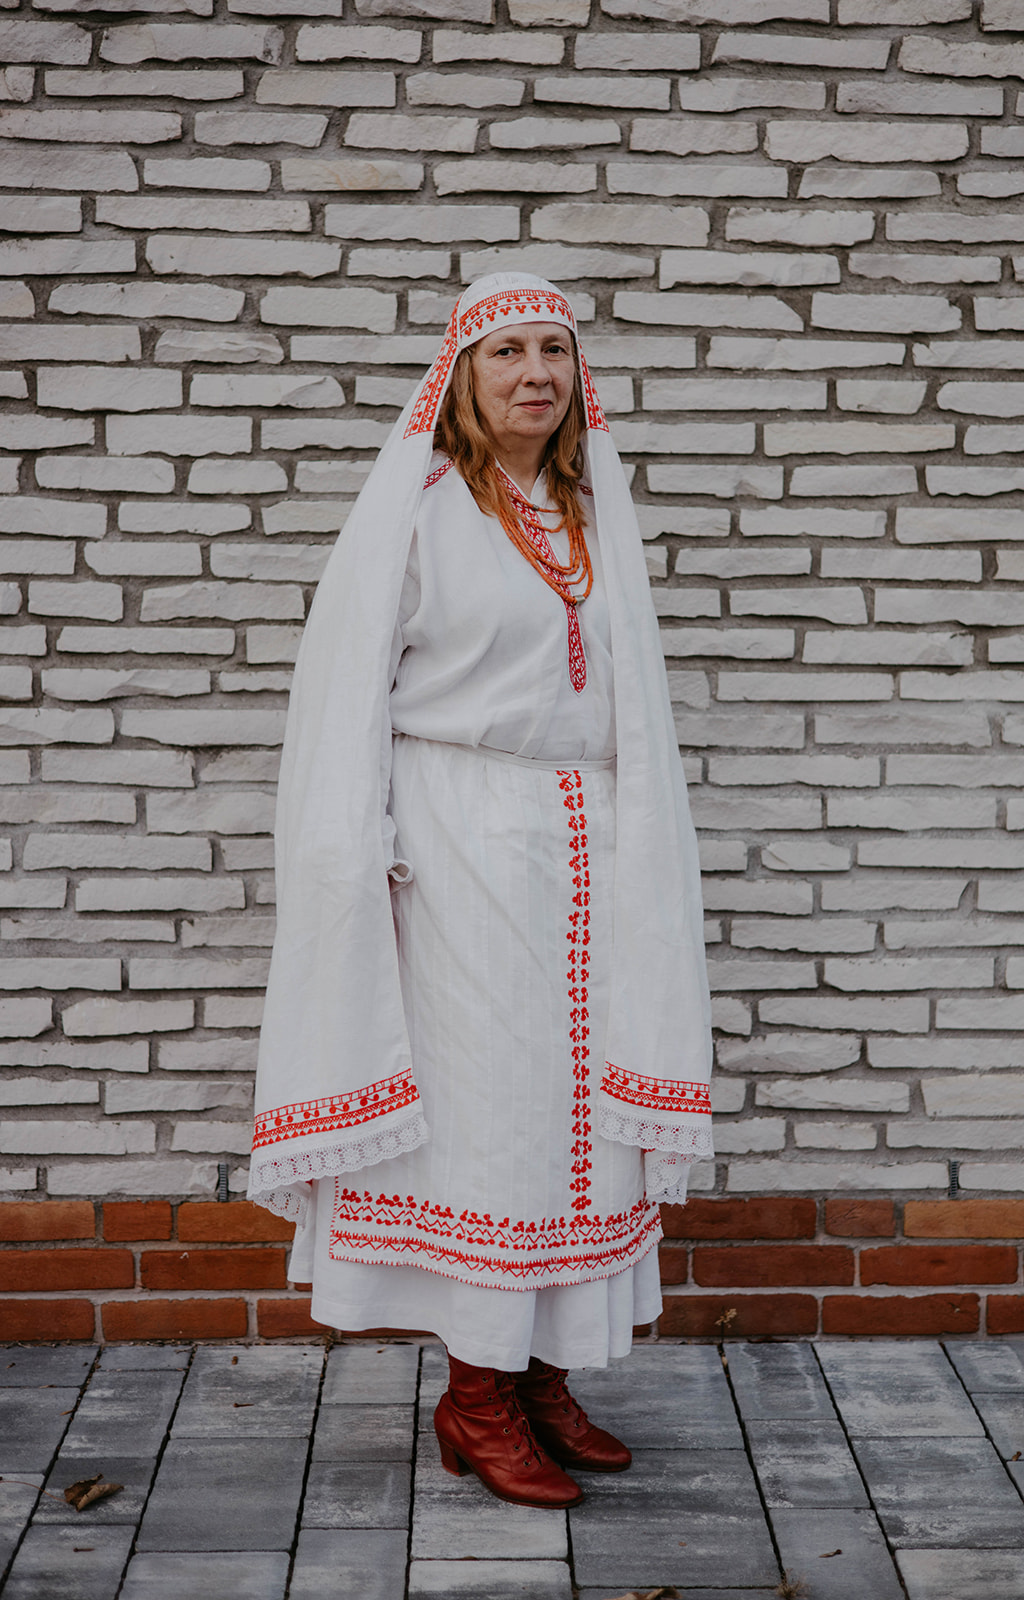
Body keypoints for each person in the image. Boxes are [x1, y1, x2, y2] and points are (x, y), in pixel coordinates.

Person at [249, 272, 714, 1511]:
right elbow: (343, 694)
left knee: (583, 1119)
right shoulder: (422, 511)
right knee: (496, 1114)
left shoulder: (584, 507)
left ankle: (545, 1372)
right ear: (461, 375)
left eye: (553, 349)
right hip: (460, 843)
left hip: (587, 849)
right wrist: (361, 854)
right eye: (505, 350)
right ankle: (476, 1390)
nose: (534, 372)